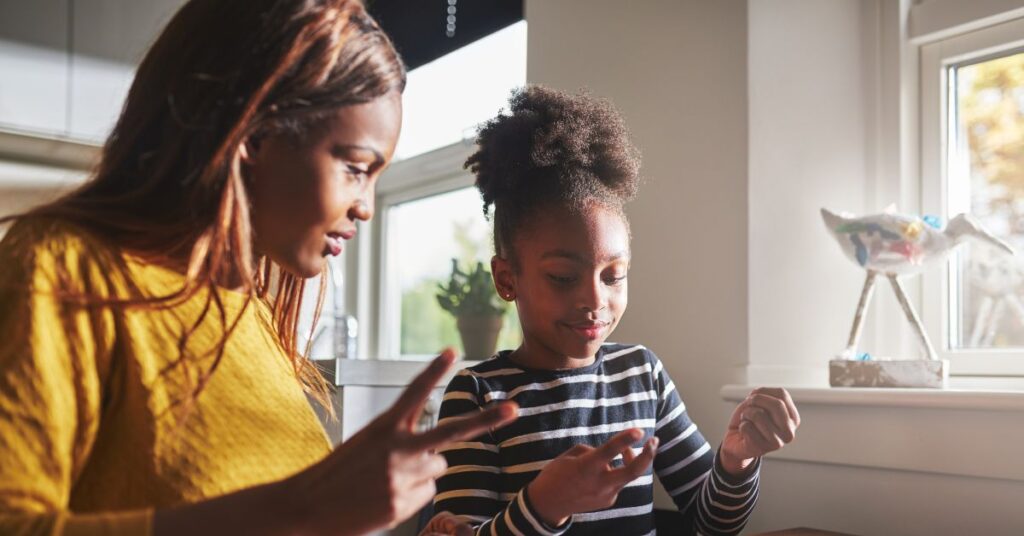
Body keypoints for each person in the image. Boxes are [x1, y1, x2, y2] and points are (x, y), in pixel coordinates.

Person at [0, 1, 516, 535]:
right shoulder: (63, 269)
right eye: (356, 168)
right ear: (254, 134)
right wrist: (303, 508)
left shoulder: (253, 313)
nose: (366, 205)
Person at [431, 86, 801, 535]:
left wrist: (737, 457)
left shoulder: (642, 375)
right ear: (507, 279)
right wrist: (544, 506)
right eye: (563, 278)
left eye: (613, 275)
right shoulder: (478, 397)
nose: (594, 300)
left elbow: (714, 523)